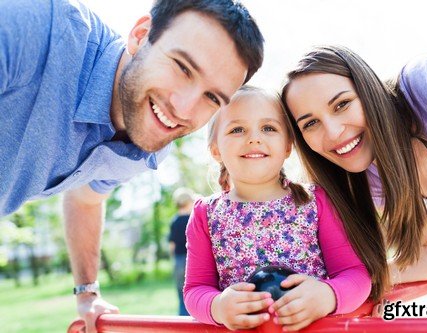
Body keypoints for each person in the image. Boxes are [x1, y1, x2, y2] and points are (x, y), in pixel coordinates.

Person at [0, 0, 264, 331]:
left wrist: (87, 291)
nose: (183, 108)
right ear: (140, 35)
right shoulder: (38, 26)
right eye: (182, 67)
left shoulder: (148, 145)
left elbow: (86, 198)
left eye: (212, 97)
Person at [281, 45, 427, 287]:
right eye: (311, 123)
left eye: (342, 104)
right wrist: (361, 282)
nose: (333, 133)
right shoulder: (368, 177)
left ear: (369, 91)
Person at [184, 86, 384, 331]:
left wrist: (327, 296)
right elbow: (195, 290)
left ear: (288, 146)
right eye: (237, 129)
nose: (254, 138)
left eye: (269, 128)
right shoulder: (206, 214)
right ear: (216, 150)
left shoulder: (316, 201)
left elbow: (355, 275)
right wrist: (217, 306)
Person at [168, 187, 196, 315]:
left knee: (181, 294)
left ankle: (182, 319)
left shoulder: (174, 221)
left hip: (179, 260)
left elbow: (172, 246)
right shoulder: (193, 219)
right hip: (192, 260)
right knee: (194, 292)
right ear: (188, 202)